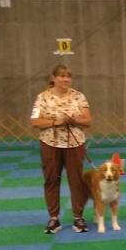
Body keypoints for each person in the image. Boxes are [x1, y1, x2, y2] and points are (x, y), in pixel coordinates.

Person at [30, 65, 91, 234]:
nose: (65, 79)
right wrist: (54, 122)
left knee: (77, 181)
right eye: (62, 76)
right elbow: (35, 121)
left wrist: (73, 119)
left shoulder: (79, 96)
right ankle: (54, 218)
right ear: (54, 78)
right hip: (50, 144)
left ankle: (78, 218)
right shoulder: (42, 97)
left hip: (75, 144)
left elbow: (87, 120)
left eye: (68, 76)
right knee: (51, 180)